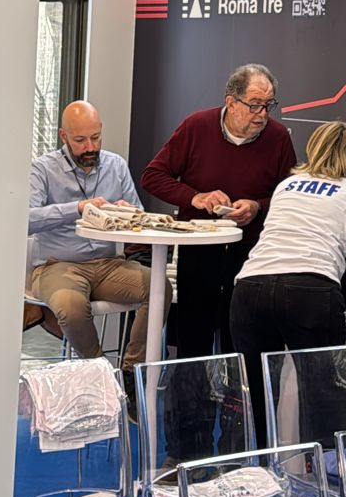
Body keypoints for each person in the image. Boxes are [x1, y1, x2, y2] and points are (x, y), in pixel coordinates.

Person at [230, 121, 346, 445]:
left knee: (254, 399)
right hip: (311, 291)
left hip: (250, 288)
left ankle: (252, 470)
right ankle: (329, 473)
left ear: (314, 148)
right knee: (325, 403)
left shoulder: (287, 185)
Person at [141, 63, 298, 359]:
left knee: (240, 339)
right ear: (231, 102)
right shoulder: (196, 126)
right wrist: (195, 197)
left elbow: (290, 194)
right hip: (200, 248)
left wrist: (257, 206)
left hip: (251, 254)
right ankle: (191, 390)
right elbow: (153, 176)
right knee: (194, 338)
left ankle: (237, 390)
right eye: (254, 105)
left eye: (269, 105)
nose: (262, 114)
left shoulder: (278, 137)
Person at [26, 100, 150, 375]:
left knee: (159, 288)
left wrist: (127, 213)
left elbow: (139, 216)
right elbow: (27, 220)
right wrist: (77, 208)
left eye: (95, 137)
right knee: (70, 306)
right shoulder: (43, 169)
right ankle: (102, 374)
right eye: (80, 140)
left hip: (108, 264)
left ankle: (131, 373)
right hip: (58, 264)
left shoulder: (116, 165)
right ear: (63, 136)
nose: (90, 147)